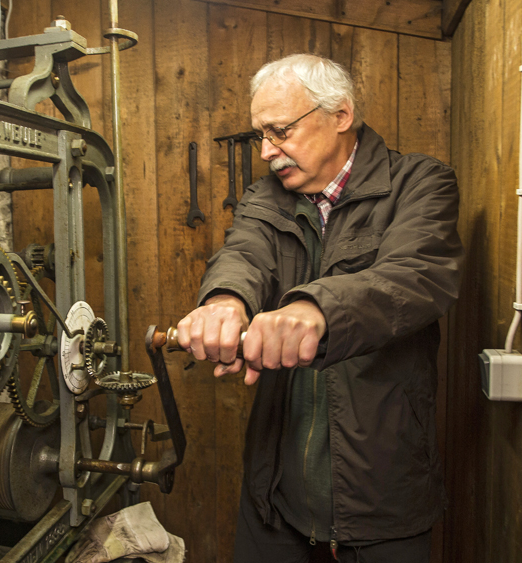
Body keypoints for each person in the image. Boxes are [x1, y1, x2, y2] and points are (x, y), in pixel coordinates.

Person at [176, 54, 462, 562]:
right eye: (261, 135)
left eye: (279, 131)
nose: (266, 151)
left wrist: (315, 309)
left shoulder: (420, 183)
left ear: (341, 116)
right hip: (275, 495)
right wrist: (224, 301)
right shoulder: (266, 197)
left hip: (383, 497)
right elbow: (244, 255)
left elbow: (415, 276)